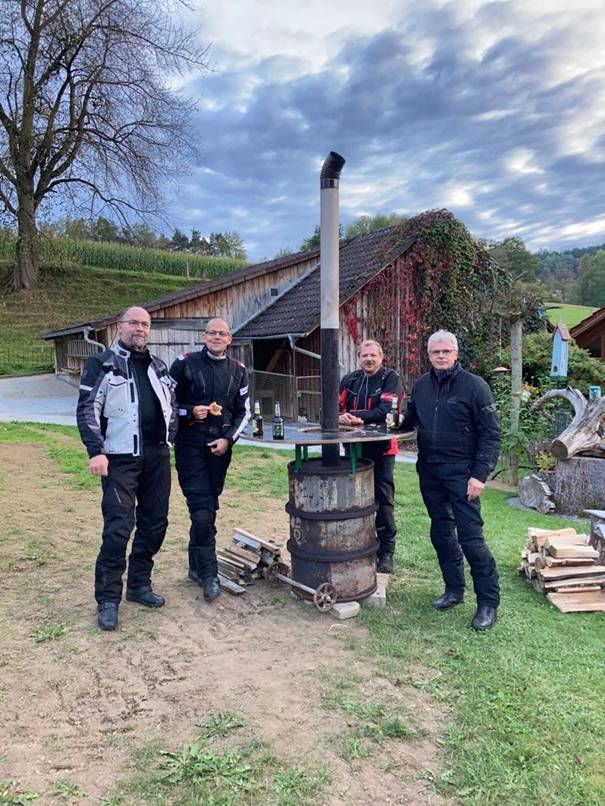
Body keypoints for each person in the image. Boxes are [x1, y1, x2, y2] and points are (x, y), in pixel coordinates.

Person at [77, 307, 178, 631]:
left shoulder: (158, 366)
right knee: (119, 528)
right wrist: (96, 451)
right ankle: (108, 599)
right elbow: (87, 409)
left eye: (145, 324)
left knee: (155, 523)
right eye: (134, 323)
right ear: (120, 327)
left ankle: (139, 585)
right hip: (119, 458)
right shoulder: (101, 364)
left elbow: (171, 405)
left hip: (157, 456)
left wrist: (170, 439)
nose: (140, 329)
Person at [401, 329, 501, 631]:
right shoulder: (421, 387)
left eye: (446, 351)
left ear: (456, 354)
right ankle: (454, 590)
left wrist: (479, 476)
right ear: (428, 355)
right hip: (430, 472)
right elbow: (406, 421)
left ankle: (487, 603)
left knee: (471, 540)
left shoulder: (475, 387)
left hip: (463, 474)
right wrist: (368, 421)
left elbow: (491, 435)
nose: (441, 356)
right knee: (441, 534)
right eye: (435, 352)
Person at [169, 318, 250, 602]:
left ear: (230, 339)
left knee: (208, 507)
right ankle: (209, 575)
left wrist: (228, 439)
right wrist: (190, 412)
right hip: (190, 445)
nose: (217, 337)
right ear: (204, 336)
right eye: (212, 333)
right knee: (202, 511)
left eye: (222, 334)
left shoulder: (238, 370)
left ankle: (195, 565)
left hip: (220, 447)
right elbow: (167, 403)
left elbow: (244, 412)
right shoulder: (185, 363)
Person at [338, 340, 402, 573]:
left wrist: (357, 417)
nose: (369, 359)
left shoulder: (390, 378)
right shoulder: (350, 380)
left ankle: (386, 552)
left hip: (382, 449)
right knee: (355, 500)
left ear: (381, 357)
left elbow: (387, 411)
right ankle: (360, 545)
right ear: (359, 357)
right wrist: (340, 417)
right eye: (365, 355)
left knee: (383, 500)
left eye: (373, 355)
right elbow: (334, 407)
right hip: (354, 448)